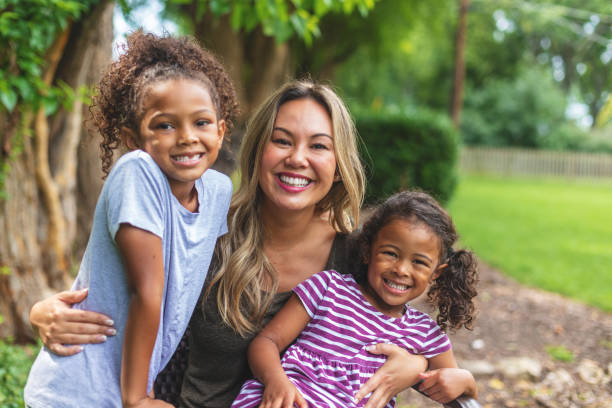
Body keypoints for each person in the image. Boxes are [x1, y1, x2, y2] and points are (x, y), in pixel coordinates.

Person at [28, 81, 444, 408]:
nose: (297, 158)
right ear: (258, 151)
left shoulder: (355, 259)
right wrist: (43, 312)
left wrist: (419, 364)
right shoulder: (208, 228)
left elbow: (402, 324)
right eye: (282, 140)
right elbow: (128, 290)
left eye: (318, 146)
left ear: (338, 167)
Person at [24, 31, 238, 408]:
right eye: (165, 125)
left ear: (221, 131)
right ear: (133, 138)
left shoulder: (218, 191)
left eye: (201, 122)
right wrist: (136, 398)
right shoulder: (137, 171)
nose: (187, 137)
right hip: (77, 388)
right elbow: (148, 290)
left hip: (129, 386)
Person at [231, 190, 479, 408]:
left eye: (419, 262)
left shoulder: (423, 332)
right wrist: (276, 381)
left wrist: (466, 382)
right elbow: (266, 341)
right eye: (391, 253)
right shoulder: (328, 289)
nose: (401, 270)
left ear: (436, 273)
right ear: (367, 250)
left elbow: (452, 386)